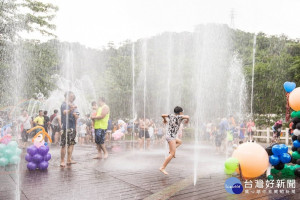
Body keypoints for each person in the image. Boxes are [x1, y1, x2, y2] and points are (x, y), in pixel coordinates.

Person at [159, 106, 189, 175]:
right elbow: (187, 116)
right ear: (180, 112)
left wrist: (164, 120)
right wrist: (187, 120)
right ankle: (162, 167)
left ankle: (172, 150)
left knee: (180, 142)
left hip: (169, 135)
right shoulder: (180, 117)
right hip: (171, 137)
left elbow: (162, 115)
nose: (183, 113)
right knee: (172, 154)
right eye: (182, 112)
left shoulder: (171, 115)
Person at [60, 91, 79, 167]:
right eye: (71, 96)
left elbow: (77, 116)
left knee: (71, 144)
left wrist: (75, 115)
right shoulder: (64, 104)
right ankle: (62, 160)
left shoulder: (73, 105)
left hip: (72, 127)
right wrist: (71, 109)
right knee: (64, 145)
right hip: (65, 127)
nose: (72, 98)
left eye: (73, 97)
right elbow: (64, 112)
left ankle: (69, 159)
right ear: (67, 96)